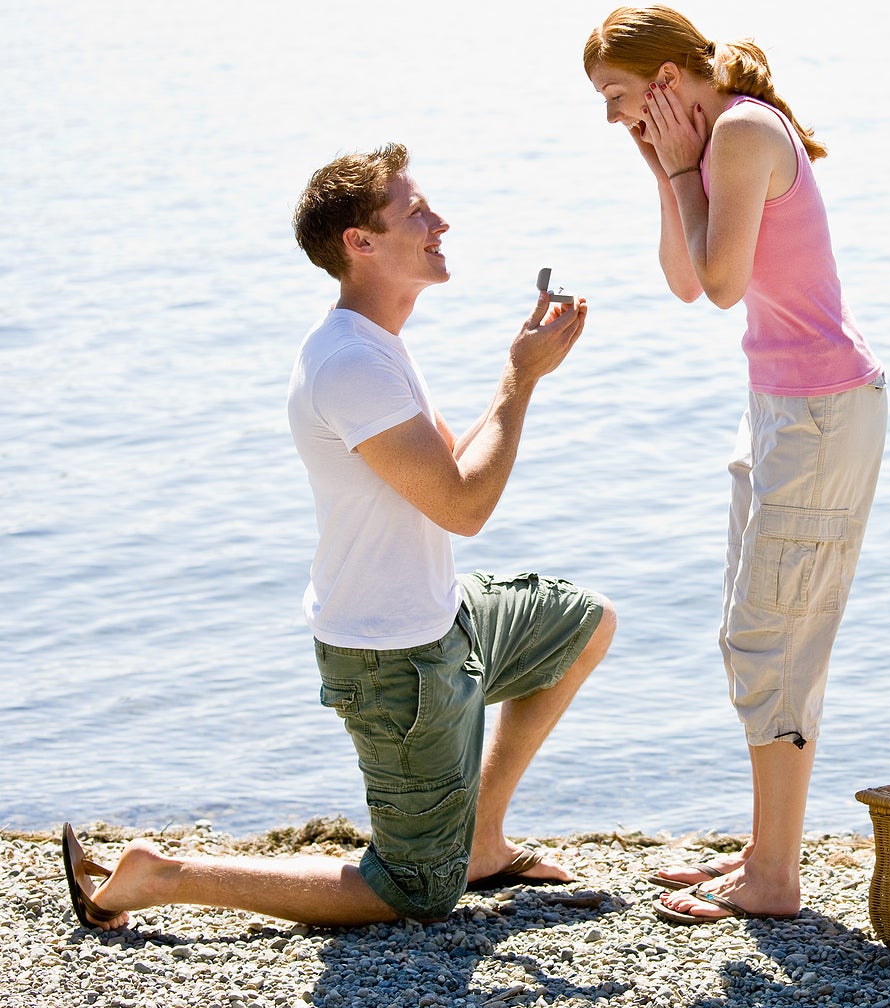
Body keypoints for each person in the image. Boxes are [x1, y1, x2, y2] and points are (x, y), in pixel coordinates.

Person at [61, 143, 615, 931]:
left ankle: (480, 842)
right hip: (394, 661)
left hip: (440, 616)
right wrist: (519, 381)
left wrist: (521, 370)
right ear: (360, 243)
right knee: (413, 892)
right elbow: (463, 508)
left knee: (584, 621)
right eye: (416, 212)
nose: (440, 222)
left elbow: (449, 470)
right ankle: (161, 874)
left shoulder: (377, 344)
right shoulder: (350, 364)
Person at [584, 6, 886, 924]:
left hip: (821, 415)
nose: (610, 117)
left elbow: (719, 286)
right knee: (758, 630)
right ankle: (767, 855)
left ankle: (774, 880)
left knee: (771, 638)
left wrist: (680, 165)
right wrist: (662, 167)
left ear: (670, 77)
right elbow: (686, 279)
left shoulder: (747, 130)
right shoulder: (714, 144)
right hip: (780, 410)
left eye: (619, 97)